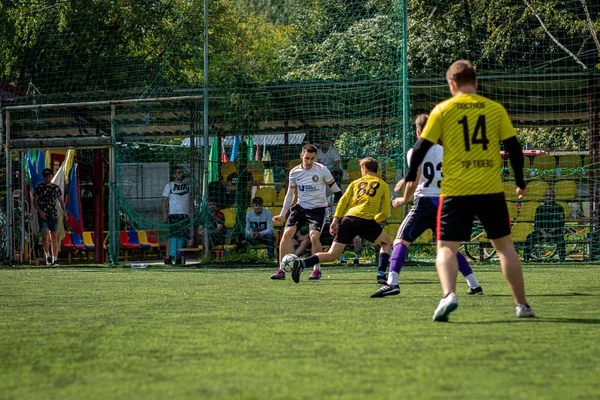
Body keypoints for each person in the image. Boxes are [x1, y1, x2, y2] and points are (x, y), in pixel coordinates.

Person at [404, 60, 534, 321]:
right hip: (490, 189)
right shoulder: (495, 109)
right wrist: (520, 181)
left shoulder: (442, 110)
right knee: (505, 248)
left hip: (456, 191)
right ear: (476, 83)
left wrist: (408, 176)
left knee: (446, 247)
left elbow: (420, 146)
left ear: (451, 84)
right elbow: (514, 149)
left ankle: (449, 295)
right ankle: (522, 305)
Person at [371, 114, 483, 298]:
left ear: (417, 131)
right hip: (445, 204)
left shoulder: (415, 151)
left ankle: (392, 282)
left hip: (424, 203)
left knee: (401, 240)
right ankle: (474, 284)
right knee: (448, 247)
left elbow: (414, 182)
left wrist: (403, 199)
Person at [290, 157, 391, 284]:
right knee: (386, 243)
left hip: (347, 219)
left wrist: (335, 220)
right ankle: (381, 274)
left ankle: (302, 263)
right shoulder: (383, 185)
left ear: (364, 169)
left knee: (332, 255)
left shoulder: (355, 183)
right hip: (365, 220)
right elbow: (386, 213)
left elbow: (342, 201)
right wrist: (374, 220)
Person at [271, 143, 343, 281]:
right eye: (307, 158)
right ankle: (281, 269)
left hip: (318, 209)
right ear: (301, 156)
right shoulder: (294, 172)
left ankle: (316, 270)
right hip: (301, 207)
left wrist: (343, 210)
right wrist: (282, 214)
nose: (309, 161)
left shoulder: (323, 170)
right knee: (287, 233)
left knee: (314, 236)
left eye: (312, 158)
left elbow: (337, 191)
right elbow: (290, 195)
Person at [33, 168, 67, 265]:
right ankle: (47, 255)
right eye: (46, 177)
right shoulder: (40, 188)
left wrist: (65, 212)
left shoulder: (56, 188)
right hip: (43, 215)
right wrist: (40, 211)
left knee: (54, 237)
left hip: (53, 215)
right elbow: (35, 202)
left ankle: (54, 258)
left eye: (49, 176)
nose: (48, 178)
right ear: (44, 177)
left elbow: (61, 201)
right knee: (45, 235)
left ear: (51, 177)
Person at [523, 189, 566, 261]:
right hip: (541, 231)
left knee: (561, 239)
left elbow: (561, 223)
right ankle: (526, 258)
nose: (548, 197)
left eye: (550, 195)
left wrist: (551, 232)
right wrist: (544, 233)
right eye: (546, 195)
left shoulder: (559, 208)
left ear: (554, 196)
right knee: (529, 238)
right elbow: (537, 223)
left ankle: (562, 259)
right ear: (544, 197)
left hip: (555, 231)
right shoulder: (539, 208)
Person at [162, 166, 191, 265]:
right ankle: (168, 258)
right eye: (178, 172)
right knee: (172, 236)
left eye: (182, 172)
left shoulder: (188, 186)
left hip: (185, 214)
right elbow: (164, 201)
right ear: (174, 175)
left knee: (184, 236)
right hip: (174, 214)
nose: (181, 174)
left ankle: (180, 257)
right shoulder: (169, 186)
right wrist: (165, 215)